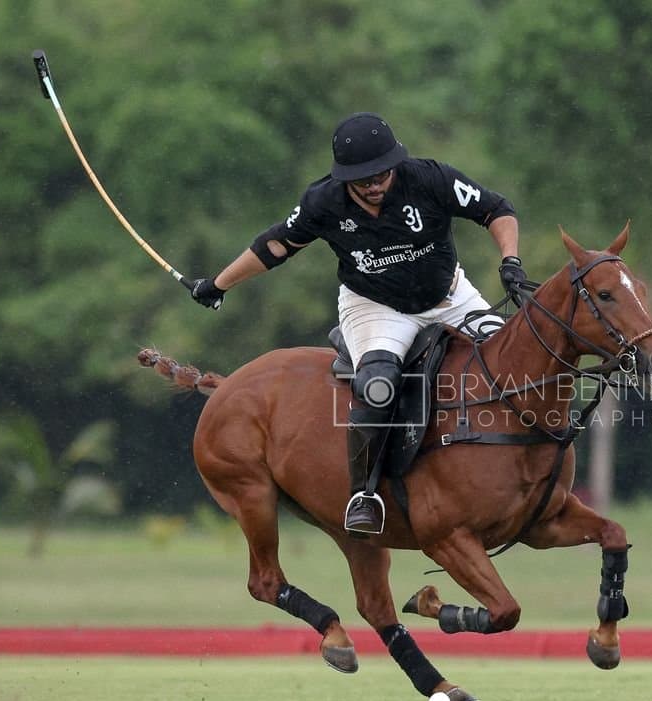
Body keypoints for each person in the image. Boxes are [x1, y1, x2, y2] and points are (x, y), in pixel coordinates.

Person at [190, 112, 527, 538]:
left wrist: (510, 260)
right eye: (362, 178)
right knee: (378, 383)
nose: (373, 184)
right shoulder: (324, 201)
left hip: (448, 296)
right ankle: (365, 492)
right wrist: (219, 284)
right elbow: (276, 245)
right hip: (375, 305)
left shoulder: (429, 178)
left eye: (381, 173)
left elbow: (495, 209)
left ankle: (527, 469)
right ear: (345, 176)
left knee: (513, 363)